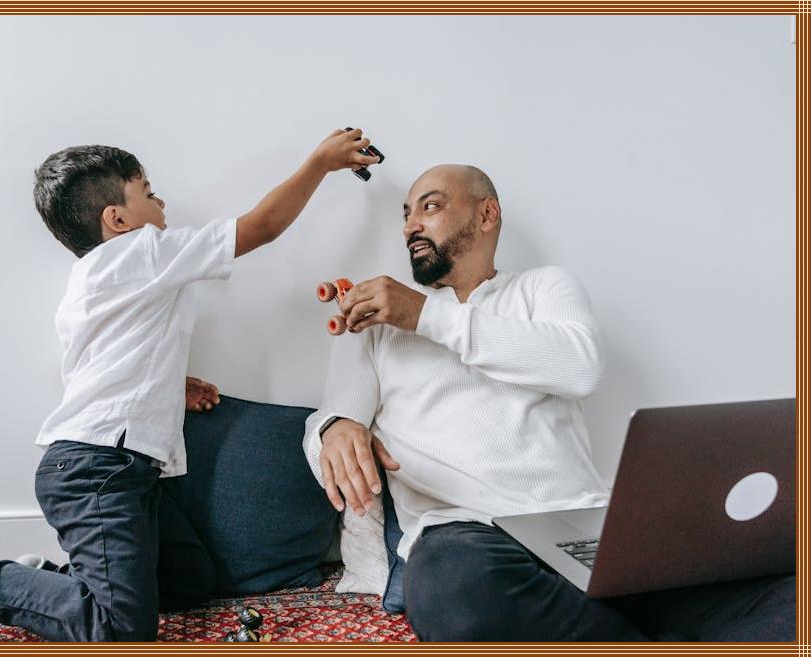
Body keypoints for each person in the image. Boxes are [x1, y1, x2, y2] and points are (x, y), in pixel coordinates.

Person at [0, 129, 380, 642]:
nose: (162, 203)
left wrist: (170, 383)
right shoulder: (142, 251)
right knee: (122, 633)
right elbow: (263, 226)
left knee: (187, 579)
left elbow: (106, 367)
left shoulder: (95, 279)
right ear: (118, 220)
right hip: (97, 469)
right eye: (149, 192)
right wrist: (319, 163)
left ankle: (47, 583)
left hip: (124, 468)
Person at [302, 163, 795, 641]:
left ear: (486, 214)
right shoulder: (375, 322)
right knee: (455, 593)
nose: (411, 225)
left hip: (582, 524)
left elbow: (580, 368)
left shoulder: (543, 287)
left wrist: (426, 316)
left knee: (788, 591)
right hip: (468, 537)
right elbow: (330, 419)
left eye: (430, 207)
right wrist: (334, 428)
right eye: (407, 213)